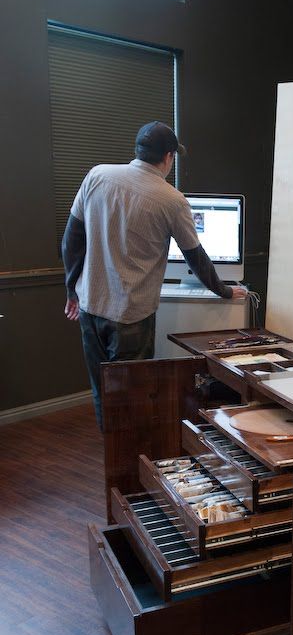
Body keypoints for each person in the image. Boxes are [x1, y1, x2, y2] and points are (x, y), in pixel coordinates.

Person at [62, 121, 247, 430]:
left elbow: (71, 240)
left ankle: (114, 459)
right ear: (169, 156)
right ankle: (131, 461)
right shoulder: (171, 199)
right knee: (132, 394)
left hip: (89, 307)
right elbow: (196, 258)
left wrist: (72, 290)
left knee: (102, 391)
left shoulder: (97, 175)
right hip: (130, 314)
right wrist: (225, 291)